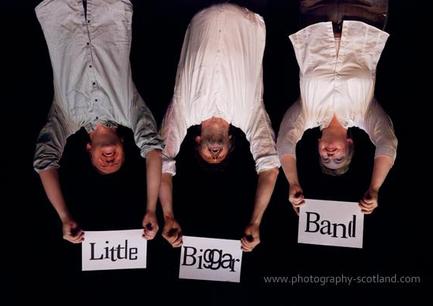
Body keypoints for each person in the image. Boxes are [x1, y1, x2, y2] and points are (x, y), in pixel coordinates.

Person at [33, 0, 164, 243]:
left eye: (103, 165)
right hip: (109, 6)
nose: (110, 161)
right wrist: (150, 209)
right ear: (125, 144)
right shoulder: (129, 110)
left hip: (57, 9)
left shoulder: (66, 117)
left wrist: (64, 217)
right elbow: (154, 149)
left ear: (89, 150)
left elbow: (44, 160)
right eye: (117, 162)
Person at [159, 3, 280, 252]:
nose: (214, 154)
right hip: (247, 9)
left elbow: (162, 164)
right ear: (231, 143)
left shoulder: (183, 112)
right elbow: (269, 167)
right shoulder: (249, 115)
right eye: (220, 157)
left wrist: (168, 216)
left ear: (196, 141)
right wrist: (256, 221)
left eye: (208, 157)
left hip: (201, 8)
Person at [277, 0, 398, 215]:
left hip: (316, 10)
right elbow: (387, 143)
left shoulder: (307, 114)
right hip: (367, 11)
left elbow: (286, 140)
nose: (330, 154)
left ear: (318, 146)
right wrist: (374, 188)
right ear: (349, 143)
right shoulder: (364, 113)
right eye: (339, 158)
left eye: (325, 158)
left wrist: (293, 183)